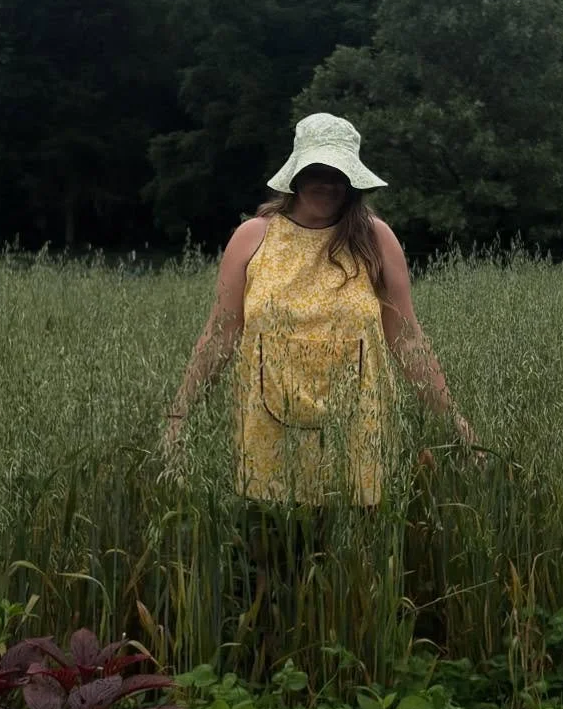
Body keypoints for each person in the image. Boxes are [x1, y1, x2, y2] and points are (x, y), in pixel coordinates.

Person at [162, 112, 476, 507]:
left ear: (351, 181)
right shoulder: (252, 237)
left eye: (338, 174)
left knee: (354, 541)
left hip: (357, 435)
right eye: (316, 172)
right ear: (295, 175)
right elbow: (221, 333)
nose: (327, 184)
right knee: (271, 540)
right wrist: (179, 417)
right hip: (267, 434)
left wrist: (455, 423)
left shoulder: (376, 238)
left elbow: (407, 339)